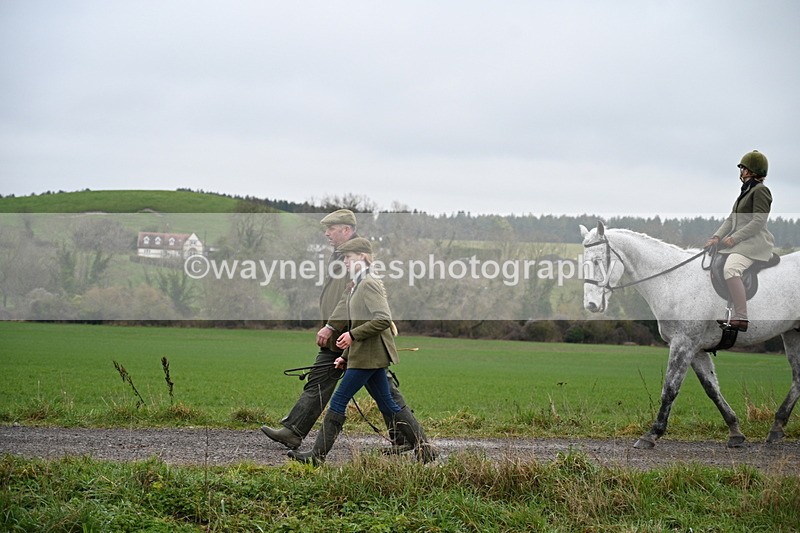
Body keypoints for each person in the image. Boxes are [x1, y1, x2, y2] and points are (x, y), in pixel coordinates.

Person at [260, 209, 411, 452]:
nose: (326, 233)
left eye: (331, 228)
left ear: (346, 230)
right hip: (343, 336)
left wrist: (333, 327)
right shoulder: (341, 255)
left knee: (382, 390)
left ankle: (409, 438)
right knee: (323, 380)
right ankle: (293, 431)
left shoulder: (354, 257)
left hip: (352, 337)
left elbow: (348, 297)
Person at [288, 237, 436, 465]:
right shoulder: (357, 285)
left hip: (368, 357)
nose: (345, 261)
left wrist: (353, 336)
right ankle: (425, 449)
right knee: (388, 404)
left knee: (338, 402)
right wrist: (344, 356)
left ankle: (316, 457)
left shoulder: (368, 283)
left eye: (348, 257)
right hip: (365, 356)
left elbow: (383, 319)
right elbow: (357, 323)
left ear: (362, 257)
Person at [704, 150, 775, 331]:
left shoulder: (761, 191)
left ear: (752, 171)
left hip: (755, 243)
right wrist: (716, 237)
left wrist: (734, 238)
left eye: (744, 168)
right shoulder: (745, 192)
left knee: (731, 269)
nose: (741, 171)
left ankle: (741, 317)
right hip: (742, 242)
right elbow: (731, 219)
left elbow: (758, 222)